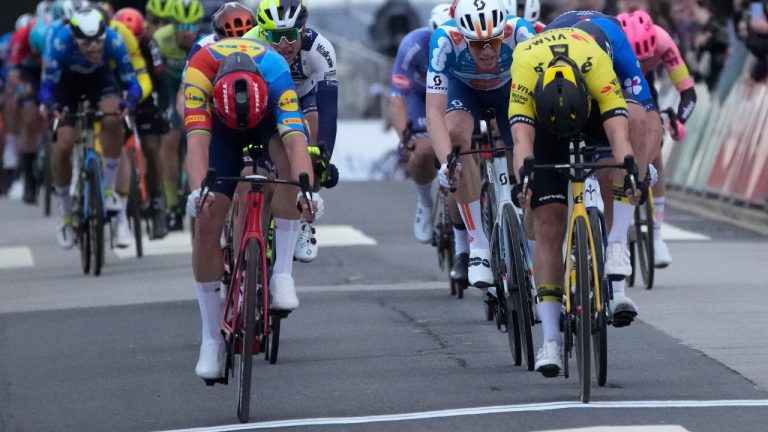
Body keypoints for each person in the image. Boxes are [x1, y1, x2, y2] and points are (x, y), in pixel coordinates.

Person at [508, 26, 639, 376]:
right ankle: (551, 339)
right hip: (545, 127)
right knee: (548, 223)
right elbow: (522, 141)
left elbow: (619, 135)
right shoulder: (523, 66)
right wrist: (524, 182)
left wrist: (630, 173)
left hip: (591, 113)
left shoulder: (596, 62)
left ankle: (615, 245)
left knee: (616, 166)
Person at [183, 39, 315, 380]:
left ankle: (282, 273)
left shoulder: (277, 73)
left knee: (287, 165)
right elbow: (197, 142)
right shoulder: (199, 72)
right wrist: (199, 193)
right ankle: (211, 339)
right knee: (207, 217)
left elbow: (296, 142)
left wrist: (306, 193)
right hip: (220, 130)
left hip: (266, 122)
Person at [547, 9, 663, 324]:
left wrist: (641, 169)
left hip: (606, 99)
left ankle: (617, 264)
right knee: (548, 204)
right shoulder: (544, 47)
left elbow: (650, 119)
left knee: (616, 169)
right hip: (557, 94)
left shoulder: (617, 43)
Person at [427, 0, 535, 287]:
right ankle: (477, 245)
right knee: (457, 139)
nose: (487, 51)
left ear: (503, 32)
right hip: (464, 91)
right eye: (477, 45)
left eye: (493, 42)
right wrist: (447, 162)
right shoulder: (445, 40)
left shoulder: (521, 32)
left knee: (526, 140)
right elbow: (434, 112)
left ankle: (523, 214)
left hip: (509, 90)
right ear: (462, 37)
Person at [243, 0, 339, 263]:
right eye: (276, 36)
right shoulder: (249, 44)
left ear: (303, 29)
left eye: (290, 34)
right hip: (263, 102)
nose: (284, 43)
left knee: (314, 142)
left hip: (302, 98)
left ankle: (304, 215)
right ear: (264, 33)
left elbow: (329, 108)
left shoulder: (319, 48)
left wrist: (324, 157)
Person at [40, 7, 141, 249]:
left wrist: (128, 103)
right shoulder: (61, 43)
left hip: (100, 79)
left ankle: (108, 190)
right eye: (87, 44)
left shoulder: (113, 40)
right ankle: (65, 213)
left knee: (113, 119)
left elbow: (132, 83)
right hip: (67, 84)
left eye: (98, 42)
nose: (94, 48)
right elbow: (46, 87)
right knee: (63, 143)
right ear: (75, 39)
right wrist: (53, 106)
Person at [618, 10, 697, 268]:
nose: (642, 63)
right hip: (615, 80)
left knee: (655, 148)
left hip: (645, 87)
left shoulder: (663, 41)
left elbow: (688, 92)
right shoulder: (610, 42)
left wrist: (678, 121)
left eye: (646, 59)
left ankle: (656, 234)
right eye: (637, 60)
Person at [389, 3, 451, 247]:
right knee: (423, 151)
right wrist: (405, 138)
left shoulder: (466, 44)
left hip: (453, 96)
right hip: (420, 97)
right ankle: (425, 201)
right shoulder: (412, 45)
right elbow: (397, 99)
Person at [115, 6, 170, 239]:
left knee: (150, 146)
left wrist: (163, 108)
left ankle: (157, 200)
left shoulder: (148, 44)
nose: (133, 41)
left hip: (146, 96)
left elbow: (160, 78)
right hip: (120, 95)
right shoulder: (112, 44)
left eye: (136, 36)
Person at [154, 0, 205, 231]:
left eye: (191, 26)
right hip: (169, 87)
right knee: (170, 138)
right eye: (182, 26)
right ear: (172, 25)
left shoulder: (205, 41)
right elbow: (155, 76)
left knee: (198, 136)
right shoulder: (160, 39)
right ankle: (172, 204)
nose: (187, 32)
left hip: (196, 87)